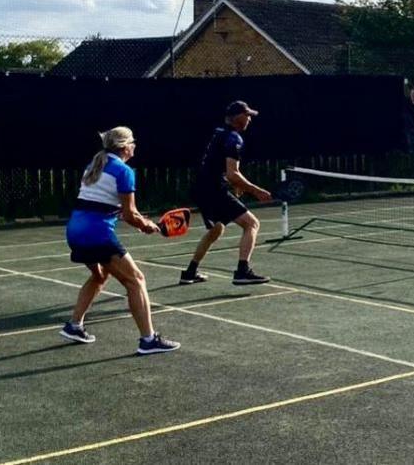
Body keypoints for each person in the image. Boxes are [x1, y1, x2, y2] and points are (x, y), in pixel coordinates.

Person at [62, 127, 179, 355]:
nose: (135, 146)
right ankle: (148, 340)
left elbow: (110, 206)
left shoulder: (94, 166)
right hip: (96, 234)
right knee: (136, 280)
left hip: (74, 231)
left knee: (99, 275)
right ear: (125, 147)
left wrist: (142, 221)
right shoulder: (124, 171)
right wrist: (147, 225)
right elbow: (129, 214)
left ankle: (74, 326)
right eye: (133, 142)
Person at [180, 101, 273, 286]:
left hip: (201, 187)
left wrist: (234, 183)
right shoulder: (233, 138)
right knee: (251, 224)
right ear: (237, 117)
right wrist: (256, 190)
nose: (249, 120)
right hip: (213, 189)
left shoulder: (218, 132)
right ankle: (242, 271)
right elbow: (233, 173)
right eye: (246, 115)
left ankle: (189, 272)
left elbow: (219, 166)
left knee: (216, 229)